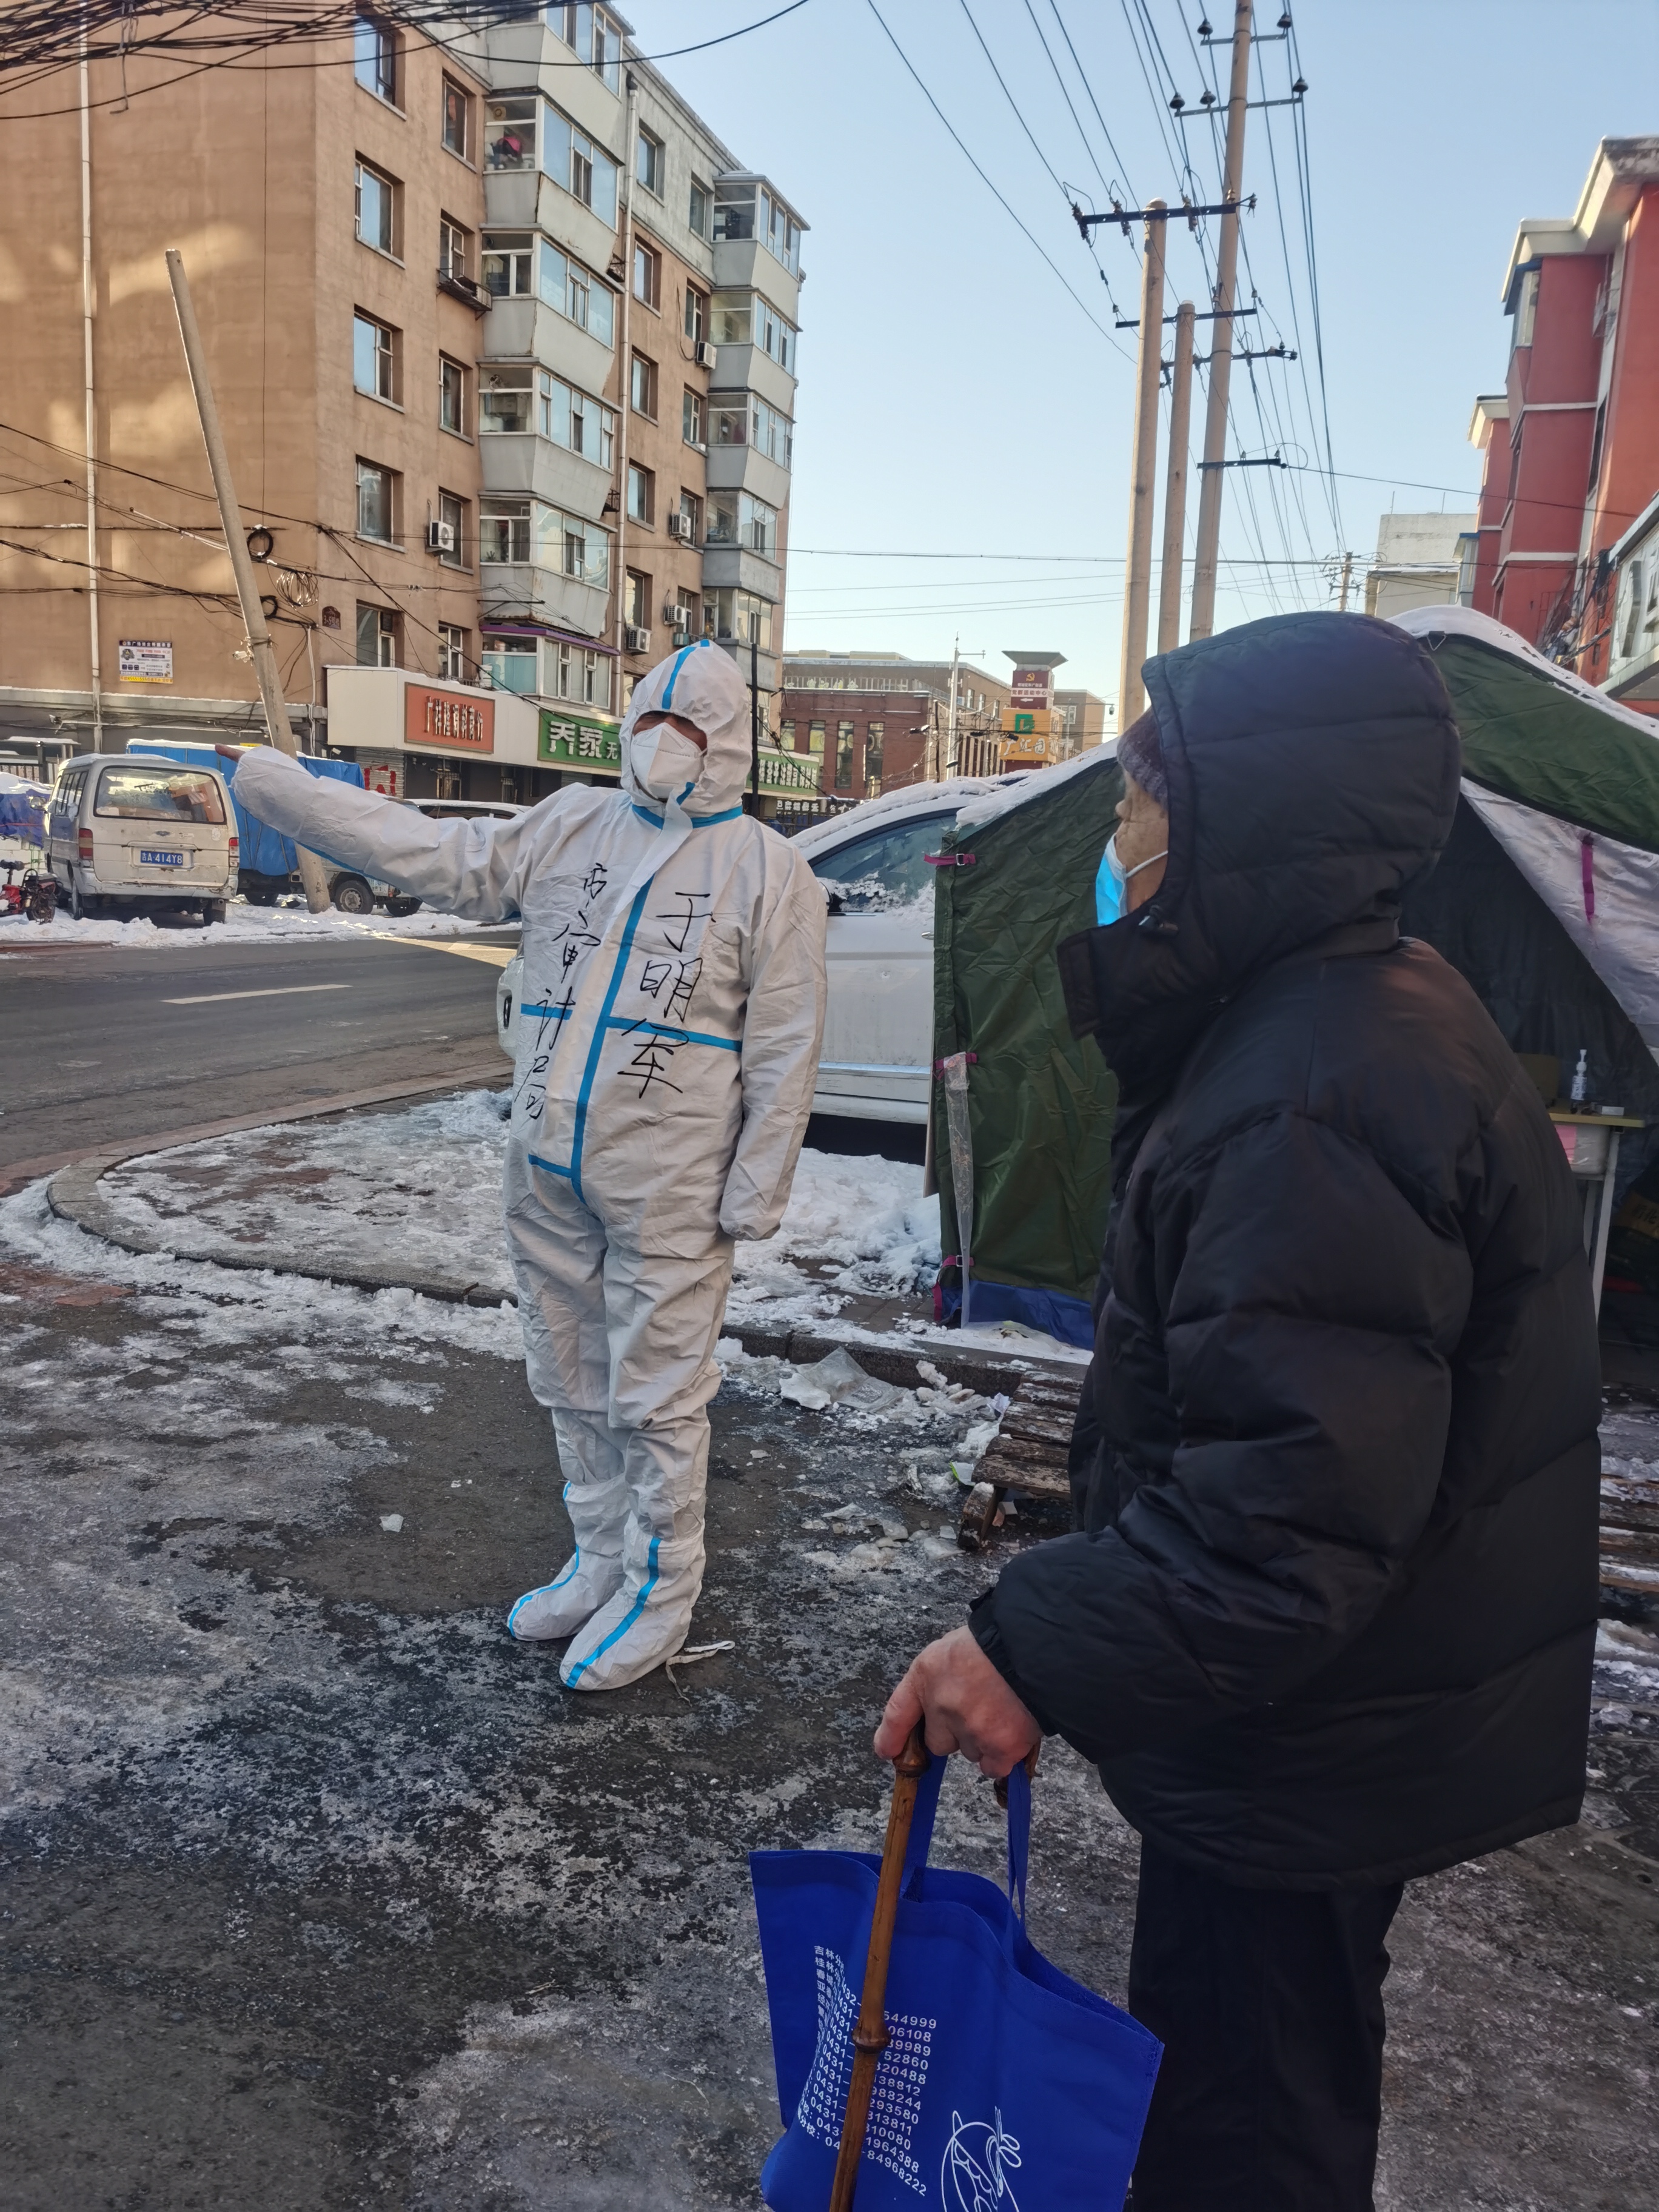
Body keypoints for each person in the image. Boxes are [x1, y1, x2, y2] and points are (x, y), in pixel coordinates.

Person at [876, 612, 1601, 2210]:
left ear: (1245, 822)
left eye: (1145, 799)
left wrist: (1023, 1646)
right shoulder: (1352, 1015)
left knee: (1244, 2138)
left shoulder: (1312, 1092)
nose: (1121, 838)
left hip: (1304, 1737)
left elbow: (1285, 1522)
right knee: (1262, 2095)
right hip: (1328, 1716)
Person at [232, 642, 827, 1690]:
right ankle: (599, 1556)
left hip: (671, 1180)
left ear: (727, 743)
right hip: (547, 1154)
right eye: (651, 720)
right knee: (565, 1370)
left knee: (658, 1391)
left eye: (688, 727)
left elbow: (786, 1040)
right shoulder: (572, 825)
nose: (662, 744)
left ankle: (663, 1586)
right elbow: (436, 852)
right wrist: (286, 792)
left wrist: (755, 1185)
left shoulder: (770, 872)